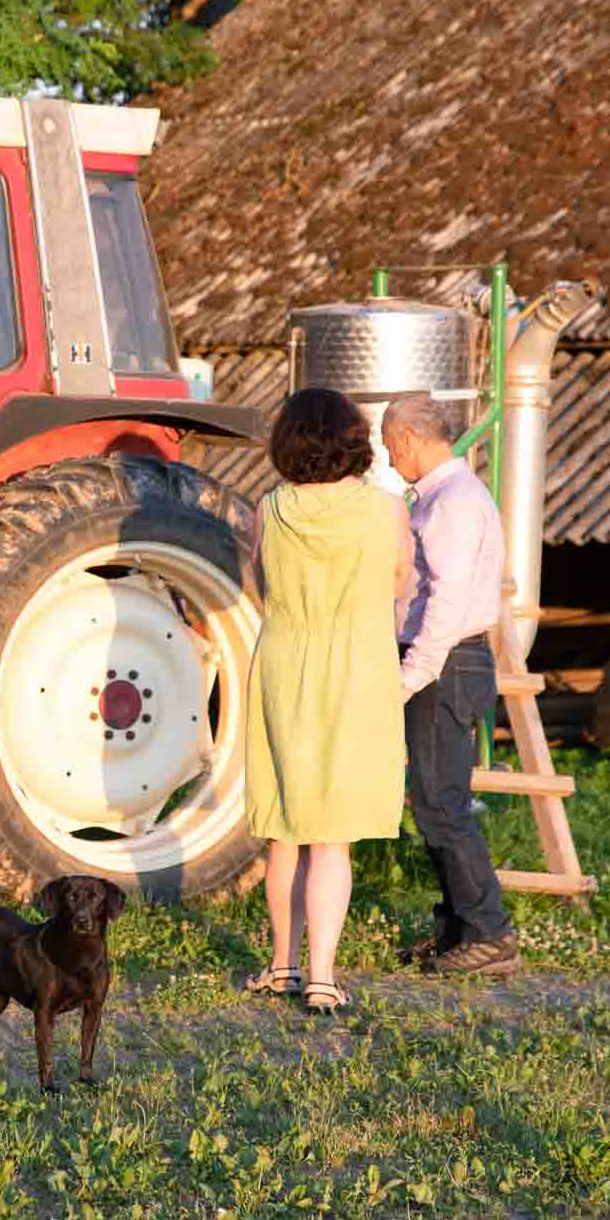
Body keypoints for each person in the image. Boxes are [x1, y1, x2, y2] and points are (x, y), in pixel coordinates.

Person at [243, 388, 413, 1013]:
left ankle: (281, 966)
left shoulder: (268, 509)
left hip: (285, 664)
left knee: (285, 830)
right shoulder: (386, 510)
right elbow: (401, 582)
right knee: (332, 837)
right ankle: (321, 977)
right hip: (358, 669)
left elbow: (257, 585)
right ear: (353, 440)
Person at [382, 392, 520, 976]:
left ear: (409, 439)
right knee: (434, 801)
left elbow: (446, 600)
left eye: (390, 447)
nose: (390, 460)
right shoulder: (444, 497)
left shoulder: (453, 503)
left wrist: (413, 674)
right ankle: (460, 927)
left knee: (442, 803)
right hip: (448, 661)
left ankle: (490, 931)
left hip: (446, 662)